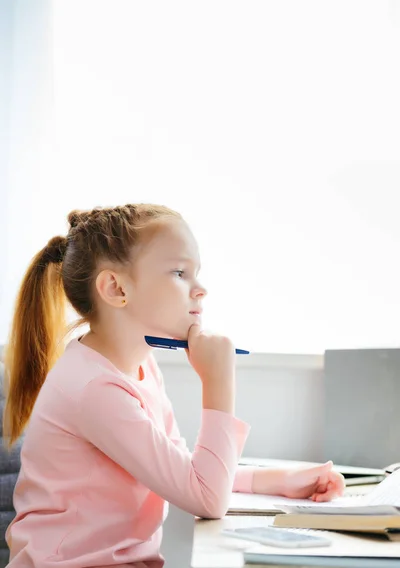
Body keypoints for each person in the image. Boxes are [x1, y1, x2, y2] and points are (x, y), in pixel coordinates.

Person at [3, 203, 344, 568]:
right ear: (115, 288)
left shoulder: (140, 366)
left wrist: (276, 480)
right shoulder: (93, 389)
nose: (200, 290)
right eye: (180, 272)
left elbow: (185, 471)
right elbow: (205, 497)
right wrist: (218, 381)